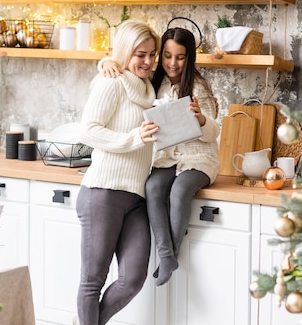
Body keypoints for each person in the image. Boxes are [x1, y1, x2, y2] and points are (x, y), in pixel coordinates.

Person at [101, 26, 220, 286]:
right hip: (167, 156)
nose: (172, 63)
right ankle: (167, 255)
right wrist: (107, 61)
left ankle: (168, 255)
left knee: (179, 191)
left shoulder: (198, 86)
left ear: (189, 58)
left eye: (180, 57)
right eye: (167, 56)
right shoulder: (153, 82)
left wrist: (200, 119)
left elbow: (213, 132)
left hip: (198, 159)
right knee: (153, 187)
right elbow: (123, 68)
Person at [76, 20, 160, 325]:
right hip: (103, 193)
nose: (148, 61)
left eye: (152, 54)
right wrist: (133, 138)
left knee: (133, 279)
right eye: (140, 54)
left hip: (136, 197)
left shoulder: (150, 87)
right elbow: (88, 131)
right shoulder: (110, 81)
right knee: (92, 281)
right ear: (126, 52)